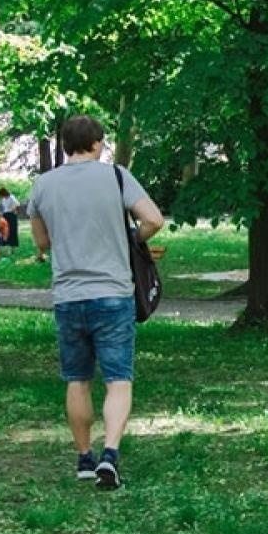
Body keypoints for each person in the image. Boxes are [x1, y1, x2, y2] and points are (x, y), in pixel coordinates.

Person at [28, 115, 165, 488]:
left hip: (69, 296)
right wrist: (133, 239)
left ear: (65, 144)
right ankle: (111, 454)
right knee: (118, 380)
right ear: (95, 143)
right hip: (113, 294)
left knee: (77, 380)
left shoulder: (43, 185)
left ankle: (84, 458)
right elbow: (153, 219)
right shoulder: (116, 176)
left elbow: (41, 243)